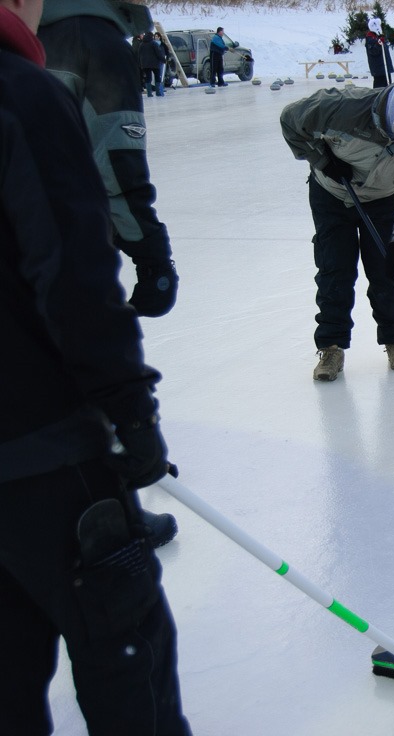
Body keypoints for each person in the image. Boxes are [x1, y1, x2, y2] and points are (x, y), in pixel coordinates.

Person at [0, 1, 191, 733]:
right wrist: (129, 408)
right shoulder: (23, 95)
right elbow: (73, 275)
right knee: (125, 643)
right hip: (40, 444)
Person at [280, 72, 394, 380]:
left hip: (384, 199)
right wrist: (321, 158)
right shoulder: (343, 108)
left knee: (389, 271)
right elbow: (290, 119)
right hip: (332, 193)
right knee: (335, 269)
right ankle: (331, 348)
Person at [365, 17, 392, 88]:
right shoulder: (370, 38)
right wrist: (379, 44)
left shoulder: (378, 37)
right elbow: (373, 51)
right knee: (379, 87)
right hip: (379, 68)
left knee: (387, 85)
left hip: (384, 67)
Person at [139, 28, 165, 97]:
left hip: (145, 64)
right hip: (155, 64)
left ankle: (149, 93)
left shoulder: (141, 44)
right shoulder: (153, 43)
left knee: (148, 78)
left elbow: (139, 54)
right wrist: (163, 60)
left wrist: (141, 63)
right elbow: (159, 53)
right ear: (151, 36)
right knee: (157, 77)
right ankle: (158, 92)